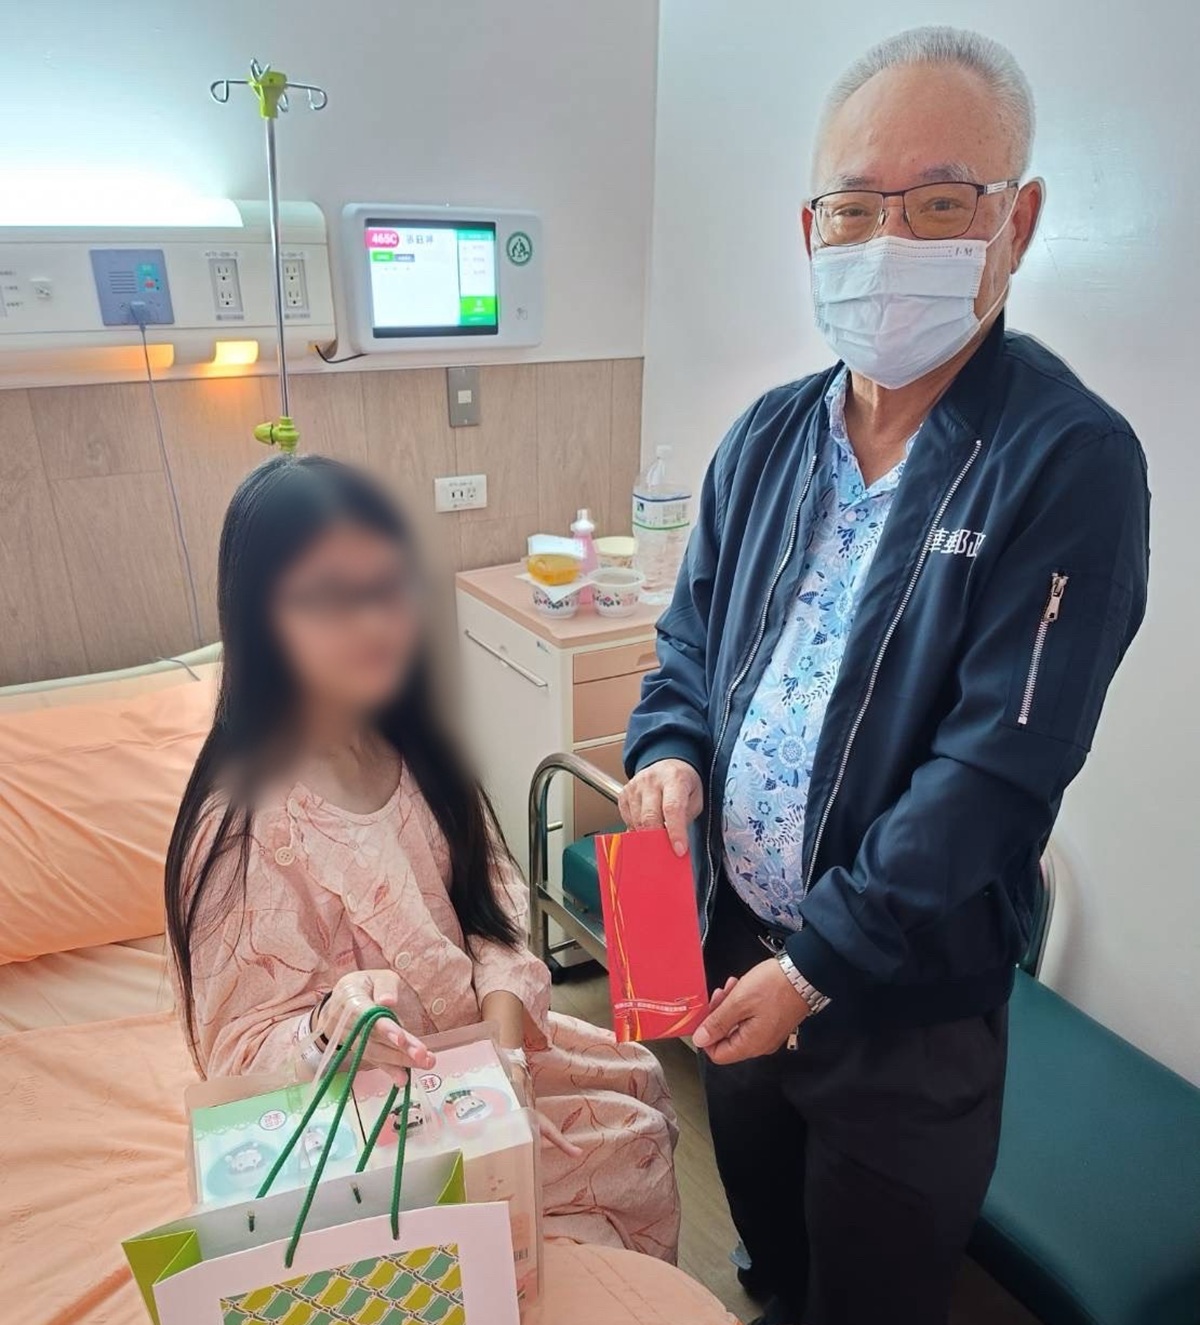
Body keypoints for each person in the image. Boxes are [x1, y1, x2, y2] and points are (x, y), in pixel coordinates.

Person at [621, 25, 1149, 1325]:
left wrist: (819, 965)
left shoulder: (1064, 462)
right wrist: (668, 750)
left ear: (1016, 222)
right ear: (813, 231)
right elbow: (688, 646)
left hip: (902, 1010)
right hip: (736, 953)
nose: (890, 239)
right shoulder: (766, 438)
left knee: (872, 1293)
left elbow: (996, 773)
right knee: (771, 1254)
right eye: (857, 206)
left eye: (941, 203)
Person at [165, 454, 680, 1261]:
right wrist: (329, 1027)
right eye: (327, 596)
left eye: (385, 585)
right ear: (260, 616)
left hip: (482, 1057)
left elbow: (493, 901)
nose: (372, 620)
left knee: (640, 1096)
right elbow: (239, 1056)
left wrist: (502, 1060)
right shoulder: (243, 828)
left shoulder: (415, 751)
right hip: (365, 1116)